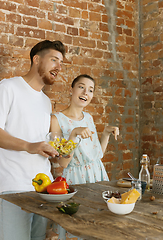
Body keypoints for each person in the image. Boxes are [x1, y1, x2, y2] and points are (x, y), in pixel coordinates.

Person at [0, 40, 65, 240]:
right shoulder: (7, 88)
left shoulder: (45, 101)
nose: (58, 67)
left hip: (43, 189)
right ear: (36, 60)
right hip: (14, 188)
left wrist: (54, 151)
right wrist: (29, 146)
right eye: (54, 60)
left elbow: (38, 141)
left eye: (61, 63)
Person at [50, 74, 119, 240]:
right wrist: (74, 134)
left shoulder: (88, 118)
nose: (85, 93)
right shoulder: (56, 119)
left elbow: (97, 155)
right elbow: (63, 162)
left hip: (97, 174)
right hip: (76, 178)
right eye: (81, 87)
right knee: (77, 227)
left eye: (90, 90)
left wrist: (105, 134)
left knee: (98, 228)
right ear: (71, 89)